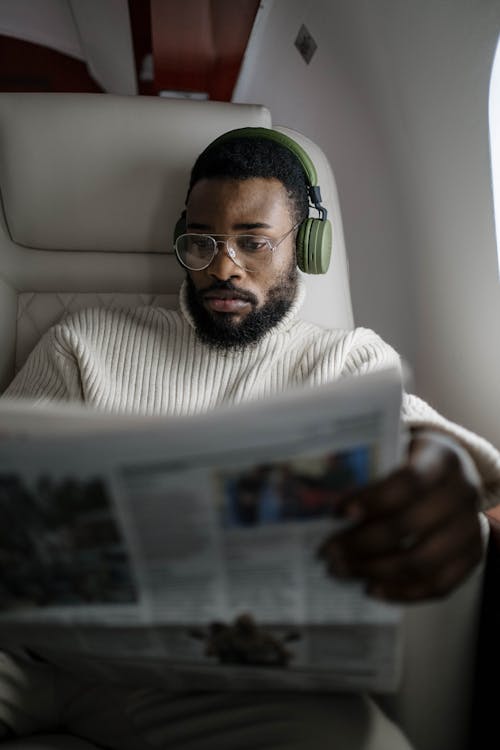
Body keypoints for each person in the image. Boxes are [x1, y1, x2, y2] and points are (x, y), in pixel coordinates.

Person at [1, 128, 500, 750]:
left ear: (305, 247)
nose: (222, 267)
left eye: (253, 243)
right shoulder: (84, 342)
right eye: (202, 243)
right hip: (25, 656)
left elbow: (448, 458)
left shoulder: (344, 360)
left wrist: (447, 475)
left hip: (210, 687)